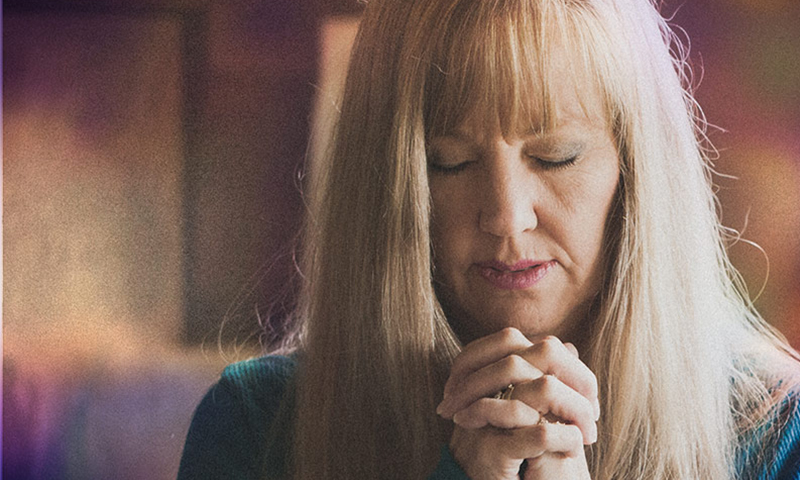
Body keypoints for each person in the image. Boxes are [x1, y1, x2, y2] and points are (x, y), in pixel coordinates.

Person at [177, 0, 800, 478]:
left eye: (556, 156)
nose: (506, 217)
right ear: (385, 188)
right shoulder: (254, 429)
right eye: (447, 162)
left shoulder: (776, 430)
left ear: (637, 171)